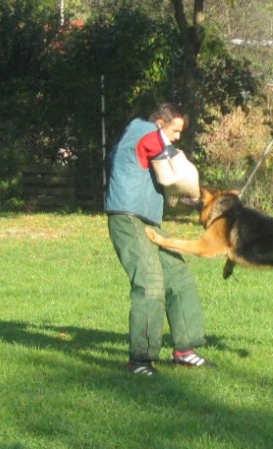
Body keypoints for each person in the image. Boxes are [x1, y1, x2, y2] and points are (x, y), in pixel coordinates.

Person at [105, 102, 212, 376]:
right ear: (161, 123)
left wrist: (208, 205)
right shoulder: (142, 130)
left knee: (178, 276)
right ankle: (140, 360)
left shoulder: (153, 143)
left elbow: (174, 188)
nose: (177, 137)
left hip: (148, 222)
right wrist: (179, 159)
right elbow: (169, 160)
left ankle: (184, 350)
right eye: (175, 131)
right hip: (127, 218)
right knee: (150, 282)